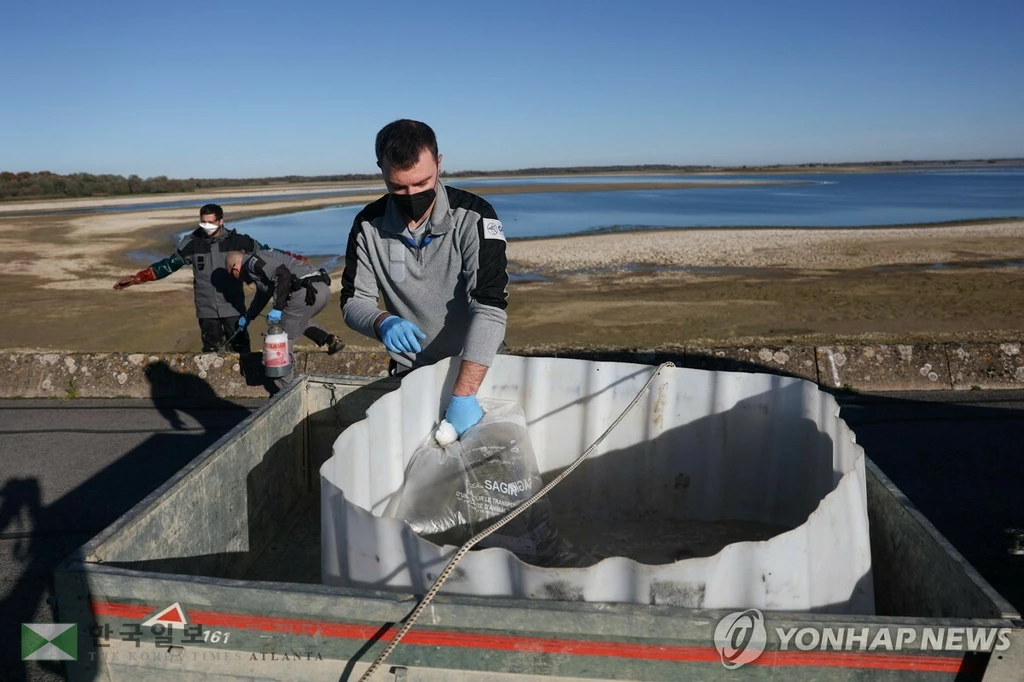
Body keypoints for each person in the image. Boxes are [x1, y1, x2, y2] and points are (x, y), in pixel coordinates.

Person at [340, 119, 509, 437]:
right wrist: (381, 321)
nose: (412, 195)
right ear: (381, 170)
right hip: (411, 373)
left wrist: (464, 395)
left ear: (439, 164)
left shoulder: (474, 217)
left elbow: (489, 308)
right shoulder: (367, 225)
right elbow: (353, 302)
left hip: (478, 371)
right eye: (398, 187)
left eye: (422, 183)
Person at [113, 203, 263, 353]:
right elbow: (168, 265)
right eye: (203, 222)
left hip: (233, 307)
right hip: (206, 309)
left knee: (241, 350)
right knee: (211, 351)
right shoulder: (192, 244)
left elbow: (267, 256)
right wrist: (138, 278)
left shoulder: (239, 242)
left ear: (220, 221)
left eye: (211, 222)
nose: (206, 226)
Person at [226, 248, 345, 391]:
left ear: (235, 268)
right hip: (321, 289)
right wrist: (249, 316)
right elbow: (262, 295)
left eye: (233, 275)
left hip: (304, 293)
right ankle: (328, 338)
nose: (237, 279)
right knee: (295, 320)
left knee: (278, 346)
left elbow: (283, 274)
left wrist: (277, 308)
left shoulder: (252, 262)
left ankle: (286, 391)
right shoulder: (261, 260)